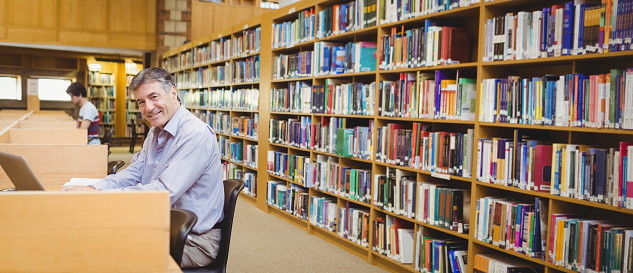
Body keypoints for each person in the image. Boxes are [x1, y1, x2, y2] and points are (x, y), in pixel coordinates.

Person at [61, 67, 225, 268]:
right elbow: (135, 172)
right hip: (161, 222)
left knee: (101, 247)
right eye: (141, 102)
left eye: (154, 97)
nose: (148, 108)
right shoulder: (156, 131)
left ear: (173, 93)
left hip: (192, 239)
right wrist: (95, 188)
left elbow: (164, 191)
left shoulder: (194, 135)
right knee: (89, 229)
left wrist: (101, 195)